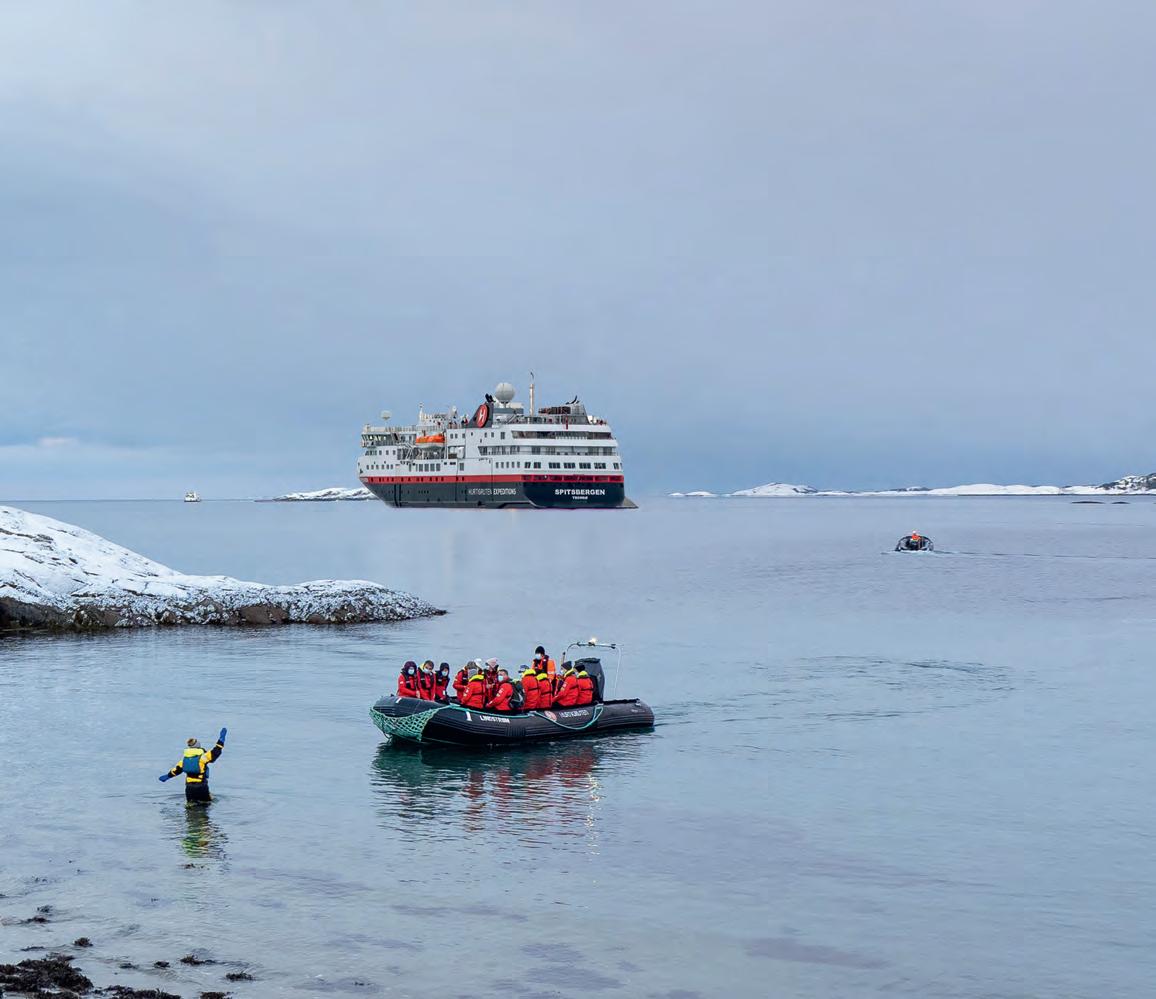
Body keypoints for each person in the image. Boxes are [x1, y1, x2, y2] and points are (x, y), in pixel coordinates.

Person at [159, 729, 227, 805]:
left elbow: (175, 771)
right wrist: (221, 740)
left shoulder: (184, 760)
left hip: (189, 788)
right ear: (199, 747)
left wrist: (167, 776)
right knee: (206, 804)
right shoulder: (203, 757)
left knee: (190, 806)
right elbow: (216, 751)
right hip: (201, 786)